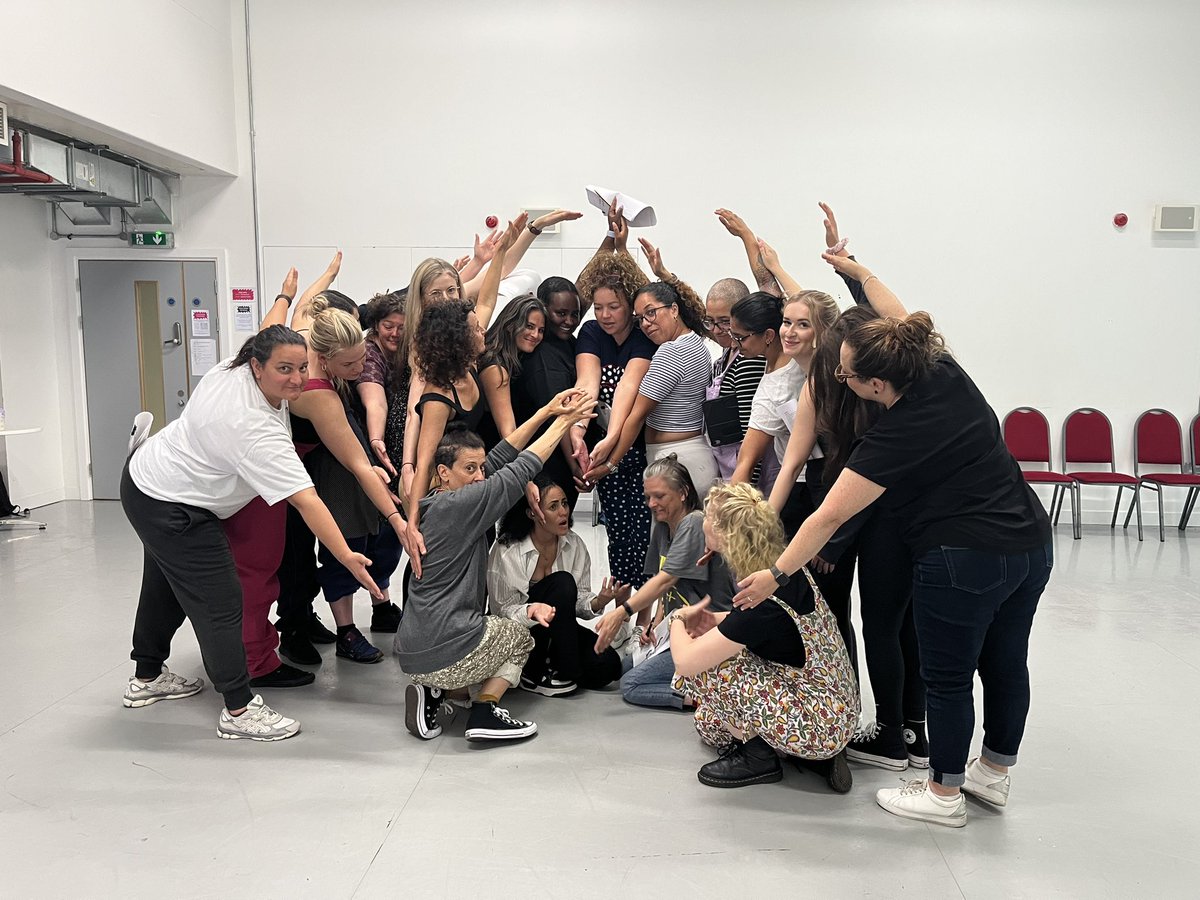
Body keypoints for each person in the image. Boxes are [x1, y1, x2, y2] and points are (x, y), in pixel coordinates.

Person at [733, 254, 1053, 828]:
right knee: (1007, 664)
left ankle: (944, 792)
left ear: (878, 384)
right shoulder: (939, 369)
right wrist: (854, 268)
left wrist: (774, 573)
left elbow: (825, 519)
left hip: (961, 556)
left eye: (848, 374)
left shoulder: (894, 434)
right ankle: (994, 774)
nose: (840, 378)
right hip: (1030, 543)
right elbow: (891, 308)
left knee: (948, 675)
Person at [121, 325, 381, 741]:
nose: (297, 379)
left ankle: (147, 677)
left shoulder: (234, 366)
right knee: (222, 603)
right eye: (284, 369)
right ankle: (239, 710)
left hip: (151, 480)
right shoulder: (253, 428)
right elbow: (307, 501)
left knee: (163, 590)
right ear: (257, 366)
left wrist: (286, 295)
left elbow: (276, 320)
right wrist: (347, 556)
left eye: (301, 367)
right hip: (171, 504)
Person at [395, 389, 596, 743]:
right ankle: (486, 710)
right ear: (443, 472)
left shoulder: (433, 503)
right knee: (518, 637)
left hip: (412, 646)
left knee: (475, 651)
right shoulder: (464, 506)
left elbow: (502, 458)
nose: (478, 476)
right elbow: (521, 467)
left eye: (480, 468)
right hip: (444, 644)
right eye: (468, 469)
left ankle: (436, 690)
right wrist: (563, 422)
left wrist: (545, 410)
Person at [670, 483, 859, 792]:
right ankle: (806, 754)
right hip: (830, 702)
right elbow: (764, 630)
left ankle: (759, 757)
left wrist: (677, 617)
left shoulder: (759, 604)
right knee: (708, 723)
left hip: (820, 720)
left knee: (707, 668)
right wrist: (714, 621)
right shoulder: (781, 570)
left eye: (709, 515)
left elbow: (687, 663)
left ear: (726, 534)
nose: (703, 518)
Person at [281, 298, 408, 666]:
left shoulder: (312, 338)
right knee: (311, 555)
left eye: (362, 359)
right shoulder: (318, 393)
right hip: (298, 473)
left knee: (357, 540)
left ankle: (308, 618)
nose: (359, 369)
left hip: (321, 463)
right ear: (322, 356)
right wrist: (397, 516)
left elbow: (305, 308)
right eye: (350, 364)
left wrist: (298, 291)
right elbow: (357, 463)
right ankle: (309, 629)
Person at [592, 455, 735, 709]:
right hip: (676, 629)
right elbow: (665, 587)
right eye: (648, 497)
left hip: (704, 631)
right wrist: (654, 627)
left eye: (659, 496)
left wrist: (622, 612)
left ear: (682, 493)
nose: (651, 503)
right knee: (618, 669)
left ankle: (708, 699)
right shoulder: (661, 526)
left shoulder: (693, 522)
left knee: (632, 685)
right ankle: (696, 678)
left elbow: (666, 580)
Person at [585, 241, 716, 492]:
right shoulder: (696, 342)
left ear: (674, 310)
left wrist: (611, 463)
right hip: (687, 456)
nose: (645, 323)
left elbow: (638, 414)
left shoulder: (672, 351)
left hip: (676, 460)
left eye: (651, 313)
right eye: (640, 318)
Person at [571, 226, 656, 591]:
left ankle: (647, 616)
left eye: (615, 307)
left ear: (631, 307)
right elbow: (587, 384)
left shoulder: (643, 337)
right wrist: (577, 430)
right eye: (600, 307)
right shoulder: (590, 332)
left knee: (650, 536)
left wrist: (610, 442)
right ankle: (623, 609)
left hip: (640, 446)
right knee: (618, 533)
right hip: (605, 450)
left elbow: (628, 389)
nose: (605, 315)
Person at [487, 472, 625, 695]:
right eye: (553, 507)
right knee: (562, 582)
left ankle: (553, 666)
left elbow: (577, 599)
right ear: (533, 512)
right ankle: (541, 671)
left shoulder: (573, 543)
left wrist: (599, 601)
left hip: (561, 628)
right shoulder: (508, 550)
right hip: (522, 633)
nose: (563, 512)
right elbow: (503, 612)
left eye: (564, 503)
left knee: (609, 667)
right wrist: (533, 610)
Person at [700, 276, 768, 482]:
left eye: (723, 322)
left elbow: (753, 431)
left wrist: (746, 486)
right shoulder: (724, 356)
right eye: (710, 321)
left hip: (748, 474)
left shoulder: (749, 359)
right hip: (728, 467)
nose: (715, 330)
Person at [478, 293, 547, 449]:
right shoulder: (496, 369)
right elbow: (508, 434)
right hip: (490, 455)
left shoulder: (510, 359)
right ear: (510, 323)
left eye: (541, 330)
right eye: (529, 326)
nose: (535, 335)